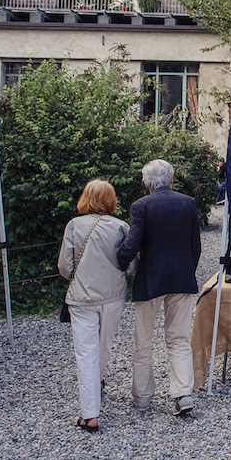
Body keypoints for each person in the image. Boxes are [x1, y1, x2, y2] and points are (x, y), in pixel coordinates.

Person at [117, 159, 202, 417]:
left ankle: (142, 397)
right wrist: (188, 269)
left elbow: (131, 245)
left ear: (146, 182)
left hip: (151, 279)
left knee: (143, 340)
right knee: (178, 338)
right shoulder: (188, 203)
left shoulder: (141, 206)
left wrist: (121, 261)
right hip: (181, 277)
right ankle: (183, 393)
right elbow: (195, 246)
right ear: (171, 179)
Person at [58, 179, 135, 434]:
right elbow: (130, 265)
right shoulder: (120, 226)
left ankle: (90, 413)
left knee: (85, 351)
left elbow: (65, 267)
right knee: (104, 344)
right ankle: (98, 382)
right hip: (113, 295)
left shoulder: (73, 226)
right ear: (111, 200)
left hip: (82, 296)